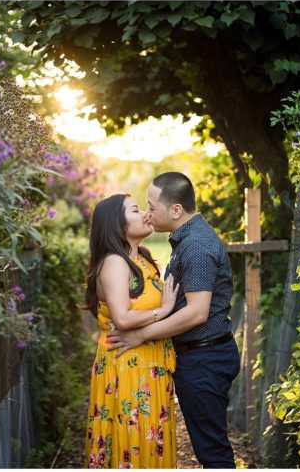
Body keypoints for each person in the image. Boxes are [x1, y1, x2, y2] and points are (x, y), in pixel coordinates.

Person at [106, 172, 240, 468]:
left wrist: (142, 335)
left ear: (176, 210)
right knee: (211, 446)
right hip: (201, 357)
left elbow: (196, 312)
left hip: (205, 358)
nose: (148, 213)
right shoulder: (186, 240)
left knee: (213, 452)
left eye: (152, 207)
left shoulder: (196, 246)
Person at [83, 193, 179, 468]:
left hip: (149, 366)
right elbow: (122, 318)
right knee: (133, 441)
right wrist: (164, 310)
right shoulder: (115, 262)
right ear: (116, 224)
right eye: (136, 210)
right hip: (127, 367)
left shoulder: (142, 260)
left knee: (151, 440)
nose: (145, 215)